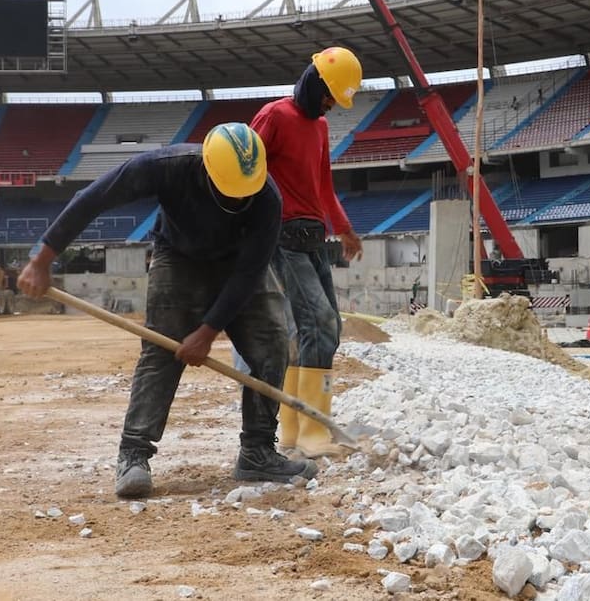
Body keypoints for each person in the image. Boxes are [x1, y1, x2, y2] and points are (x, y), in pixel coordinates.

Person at [18, 123, 315, 499]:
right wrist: (43, 258)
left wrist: (208, 331)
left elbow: (249, 272)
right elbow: (94, 197)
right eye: (231, 193)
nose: (240, 201)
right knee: (161, 353)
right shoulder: (168, 166)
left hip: (239, 265)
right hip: (178, 258)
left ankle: (257, 452)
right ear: (208, 170)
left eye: (246, 194)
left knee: (272, 346)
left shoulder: (267, 197)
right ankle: (133, 455)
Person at [242, 46, 364, 459]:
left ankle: (294, 429)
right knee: (319, 322)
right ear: (315, 82)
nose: (331, 104)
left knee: (324, 329)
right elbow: (245, 168)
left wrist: (344, 229)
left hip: (314, 237)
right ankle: (312, 431)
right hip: (282, 236)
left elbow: (324, 185)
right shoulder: (274, 116)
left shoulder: (321, 128)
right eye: (330, 94)